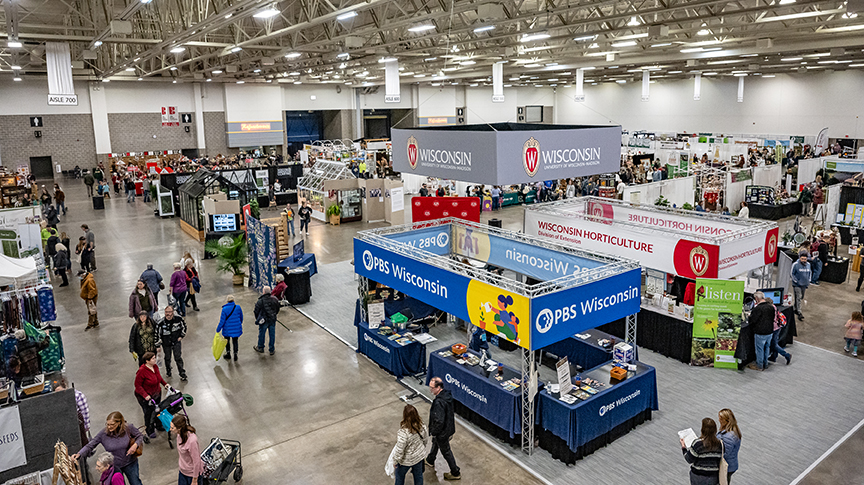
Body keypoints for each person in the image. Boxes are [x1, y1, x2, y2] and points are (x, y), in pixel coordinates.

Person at [71, 411, 144, 485]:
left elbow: (139, 436)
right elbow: (90, 445)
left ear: (119, 423)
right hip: (115, 467)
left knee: (135, 483)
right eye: (107, 424)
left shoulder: (128, 428)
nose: (109, 427)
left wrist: (135, 445)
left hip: (130, 463)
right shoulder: (103, 434)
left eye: (112, 424)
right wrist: (79, 454)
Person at [425, 376, 460, 480]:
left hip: (442, 432)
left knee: (446, 451)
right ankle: (430, 460)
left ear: (438, 387)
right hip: (448, 428)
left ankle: (455, 472)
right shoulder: (447, 396)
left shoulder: (439, 402)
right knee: (435, 443)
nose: (430, 390)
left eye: (432, 388)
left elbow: (439, 420)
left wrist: (434, 431)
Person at [134, 352, 171, 439]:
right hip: (145, 398)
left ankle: (158, 425)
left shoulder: (155, 366)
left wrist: (165, 384)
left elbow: (159, 377)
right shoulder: (141, 371)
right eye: (153, 358)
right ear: (147, 361)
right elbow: (137, 385)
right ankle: (149, 430)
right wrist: (145, 395)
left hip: (156, 393)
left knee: (158, 410)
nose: (155, 359)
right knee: (148, 413)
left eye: (155, 357)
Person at [392, 404, 428, 485]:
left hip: (405, 461)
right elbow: (425, 440)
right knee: (418, 476)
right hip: (418, 458)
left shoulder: (403, 432)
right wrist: (420, 451)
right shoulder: (422, 426)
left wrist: (395, 461)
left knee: (399, 477)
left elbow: (400, 450)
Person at [680, 417, 723, 485]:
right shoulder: (720, 444)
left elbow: (688, 459)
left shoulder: (698, 444)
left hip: (698, 476)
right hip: (713, 477)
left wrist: (683, 447)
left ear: (702, 430)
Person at [171, 414, 203, 485]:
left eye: (172, 428)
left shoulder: (192, 441)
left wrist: (195, 480)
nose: (170, 429)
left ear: (179, 428)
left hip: (191, 475)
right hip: (182, 472)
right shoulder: (179, 435)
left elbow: (196, 461)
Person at [746, 292, 775, 371]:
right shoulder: (771, 307)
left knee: (759, 350)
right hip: (769, 331)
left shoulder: (758, 308)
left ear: (756, 299)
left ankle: (759, 366)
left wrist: (749, 317)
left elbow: (753, 320)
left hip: (760, 332)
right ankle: (765, 364)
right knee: (766, 348)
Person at [158, 305, 187, 380]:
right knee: (167, 358)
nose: (168, 314)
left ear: (173, 312)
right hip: (166, 343)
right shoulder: (161, 323)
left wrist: (181, 336)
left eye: (170, 312)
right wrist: (158, 344)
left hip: (176, 342)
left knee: (178, 357)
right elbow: (157, 333)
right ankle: (168, 371)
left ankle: (182, 373)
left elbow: (184, 326)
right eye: (166, 312)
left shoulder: (178, 319)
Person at [253, 285, 281, 355]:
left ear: (264, 292)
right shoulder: (274, 299)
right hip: (272, 319)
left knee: (261, 334)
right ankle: (271, 349)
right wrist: (274, 315)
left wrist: (258, 318)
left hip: (263, 320)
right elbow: (278, 308)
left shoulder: (260, 301)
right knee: (272, 334)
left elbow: (256, 311)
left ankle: (260, 347)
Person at [716, 409, 741, 484]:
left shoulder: (728, 437)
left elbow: (725, 453)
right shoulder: (733, 430)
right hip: (731, 464)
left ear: (726, 420)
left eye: (720, 418)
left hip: (726, 467)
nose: (719, 420)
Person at [217, 295, 243, 361]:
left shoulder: (224, 309)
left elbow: (222, 321)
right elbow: (241, 317)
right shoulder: (238, 307)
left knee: (227, 341)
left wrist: (218, 329)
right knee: (235, 341)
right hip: (236, 328)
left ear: (227, 301)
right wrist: (239, 324)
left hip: (227, 329)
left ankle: (228, 353)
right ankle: (235, 354)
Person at [791, 249, 811, 320]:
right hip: (797, 285)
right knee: (798, 297)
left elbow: (809, 273)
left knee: (801, 297)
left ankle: (794, 308)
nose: (803, 260)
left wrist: (809, 281)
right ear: (799, 258)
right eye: (802, 259)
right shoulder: (795, 265)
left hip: (804, 285)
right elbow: (792, 274)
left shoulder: (808, 265)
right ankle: (799, 312)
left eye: (805, 259)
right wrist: (796, 281)